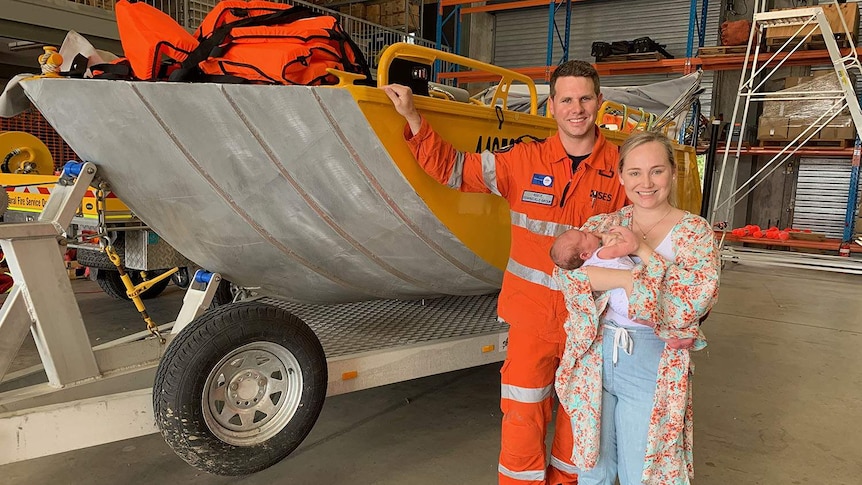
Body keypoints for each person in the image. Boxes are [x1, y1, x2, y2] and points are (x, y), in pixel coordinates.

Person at [383, 61, 627, 485]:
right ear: (551, 106)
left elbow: (648, 240)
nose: (576, 108)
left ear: (599, 103)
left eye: (585, 98)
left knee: (580, 424)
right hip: (531, 320)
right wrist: (411, 117)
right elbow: (455, 169)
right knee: (522, 420)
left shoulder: (622, 171)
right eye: (566, 99)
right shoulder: (523, 158)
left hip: (591, 324)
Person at [553, 130, 720, 485]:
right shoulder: (604, 224)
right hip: (595, 353)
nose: (645, 182)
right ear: (621, 175)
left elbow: (691, 302)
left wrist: (642, 252)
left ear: (674, 173)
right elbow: (566, 277)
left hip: (651, 359)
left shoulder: (694, 232)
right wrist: (630, 281)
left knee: (644, 472)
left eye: (657, 171)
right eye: (634, 172)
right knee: (593, 468)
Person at [550, 226, 638, 271]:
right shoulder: (602, 253)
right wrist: (623, 230)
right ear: (585, 254)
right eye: (584, 235)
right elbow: (632, 245)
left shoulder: (588, 266)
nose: (587, 230)